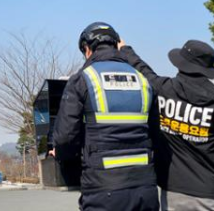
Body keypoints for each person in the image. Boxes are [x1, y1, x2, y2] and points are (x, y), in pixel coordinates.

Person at [119, 39, 214, 211]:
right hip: (213, 193)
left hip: (173, 191)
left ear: (181, 64)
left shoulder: (163, 90)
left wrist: (125, 49)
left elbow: (143, 71)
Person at [52, 22, 159, 211]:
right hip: (145, 188)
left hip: (103, 189)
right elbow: (156, 133)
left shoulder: (83, 79)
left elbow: (65, 139)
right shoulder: (143, 80)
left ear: (87, 49)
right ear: (116, 44)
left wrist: (60, 155)